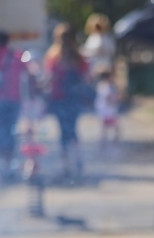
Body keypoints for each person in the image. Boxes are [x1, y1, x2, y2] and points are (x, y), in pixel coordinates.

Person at [43, 23, 90, 180]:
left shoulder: (53, 56)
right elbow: (86, 77)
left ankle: (66, 165)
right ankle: (77, 160)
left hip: (59, 98)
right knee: (73, 131)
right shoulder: (79, 56)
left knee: (63, 131)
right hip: (73, 99)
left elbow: (49, 78)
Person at [0, 30, 28, 181]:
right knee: (10, 131)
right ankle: (8, 164)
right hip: (13, 99)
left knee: (2, 131)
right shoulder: (17, 56)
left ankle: (3, 166)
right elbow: (30, 73)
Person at [94, 67, 121, 148]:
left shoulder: (107, 86)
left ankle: (107, 143)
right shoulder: (105, 87)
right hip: (107, 110)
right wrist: (117, 99)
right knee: (112, 127)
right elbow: (109, 98)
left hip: (107, 109)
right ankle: (110, 144)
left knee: (108, 127)